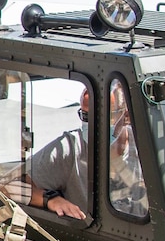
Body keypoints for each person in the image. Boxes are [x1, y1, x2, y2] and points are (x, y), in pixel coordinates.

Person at [28, 82, 147, 221]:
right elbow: (9, 185)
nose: (91, 124)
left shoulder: (143, 148)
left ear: (126, 116)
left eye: (102, 116)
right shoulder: (71, 148)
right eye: (85, 116)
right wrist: (50, 200)